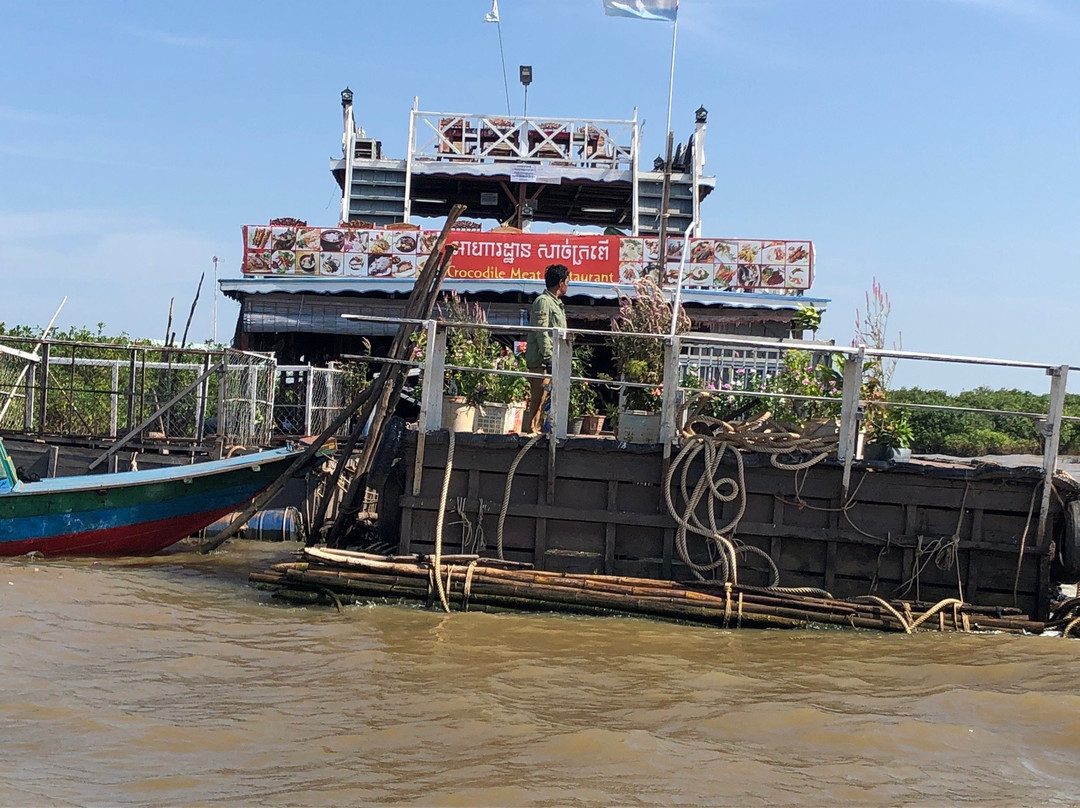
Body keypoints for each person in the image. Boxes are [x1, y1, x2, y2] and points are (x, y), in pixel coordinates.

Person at [522, 264, 570, 434]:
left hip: (553, 361)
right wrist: (549, 357)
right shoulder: (543, 302)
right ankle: (532, 432)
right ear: (560, 282)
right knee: (538, 398)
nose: (568, 285)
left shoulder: (557, 304)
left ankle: (539, 430)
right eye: (567, 281)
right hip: (541, 362)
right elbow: (541, 332)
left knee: (546, 399)